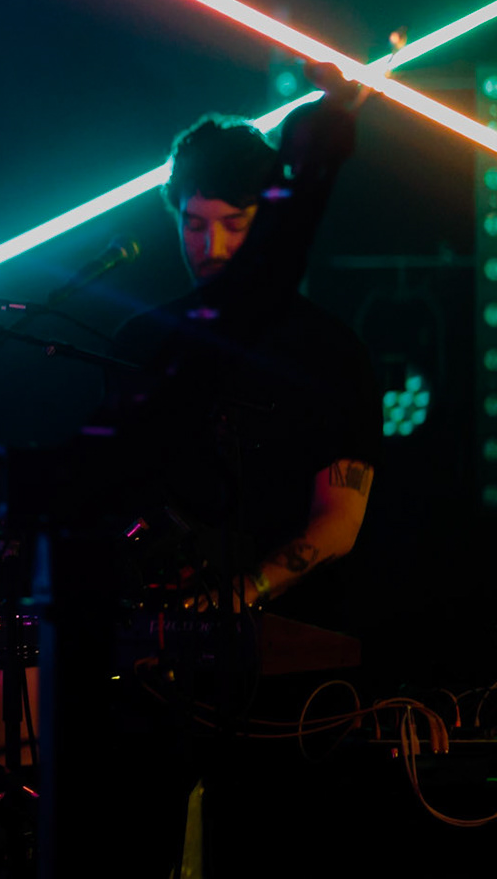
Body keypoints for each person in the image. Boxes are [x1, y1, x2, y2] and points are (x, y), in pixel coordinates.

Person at [111, 104, 378, 626]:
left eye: (235, 225)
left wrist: (237, 598)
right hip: (159, 638)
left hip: (299, 644)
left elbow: (339, 524)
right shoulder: (140, 342)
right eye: (194, 226)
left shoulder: (328, 352)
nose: (212, 248)